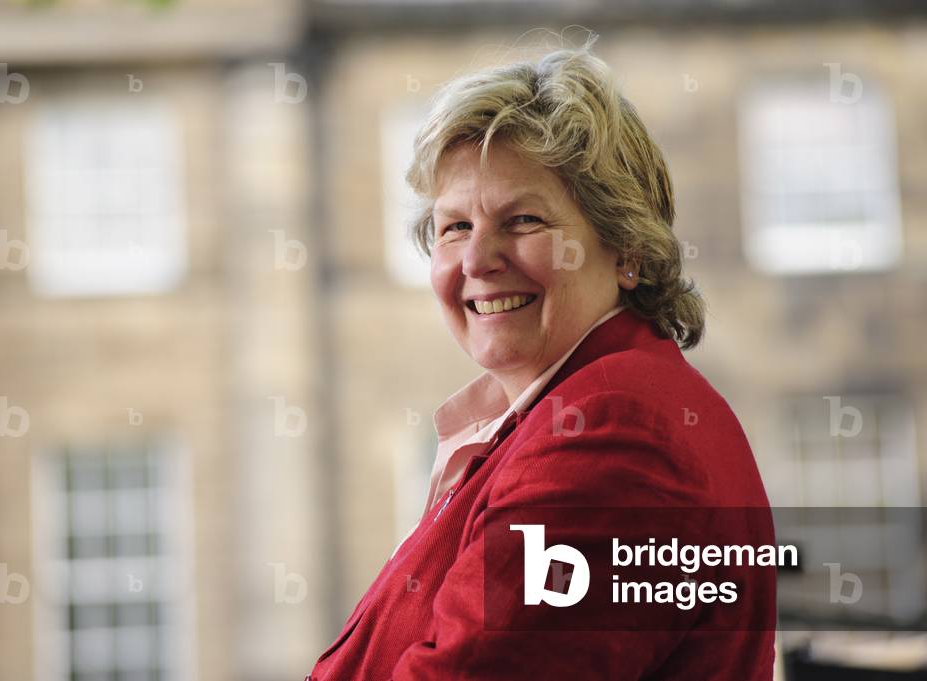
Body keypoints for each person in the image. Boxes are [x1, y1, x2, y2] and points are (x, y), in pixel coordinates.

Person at [306, 45, 775, 680]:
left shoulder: (616, 434)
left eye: (522, 220)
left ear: (626, 249)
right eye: (453, 228)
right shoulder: (564, 415)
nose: (476, 260)